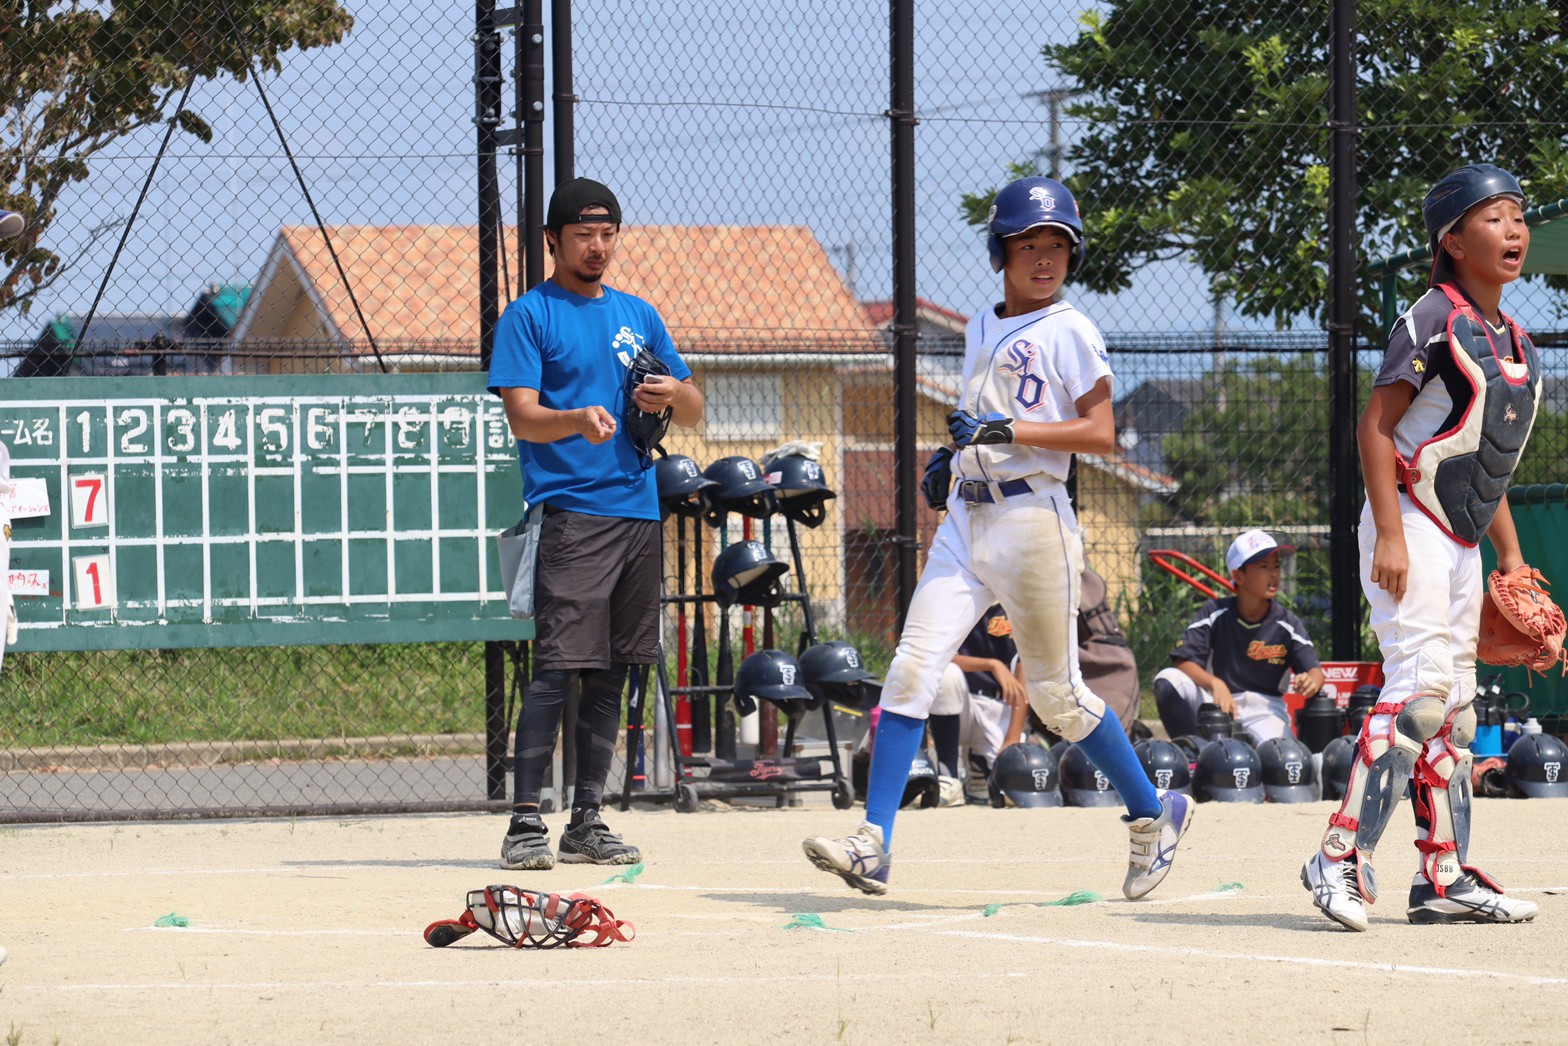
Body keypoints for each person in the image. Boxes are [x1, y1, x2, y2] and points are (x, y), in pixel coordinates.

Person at [802, 175, 1193, 898]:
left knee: (1058, 699)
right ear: (1000, 252)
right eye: (1028, 244)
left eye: (1057, 245)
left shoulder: (1070, 329)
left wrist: (1009, 432)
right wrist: (950, 459)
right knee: (913, 667)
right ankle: (874, 841)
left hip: (1033, 522)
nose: (1044, 258)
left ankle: (1152, 812)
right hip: (965, 519)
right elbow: (982, 415)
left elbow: (1101, 432)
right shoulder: (984, 323)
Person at [1302, 163, 1541, 930]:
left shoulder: (1513, 337)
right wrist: (1393, 535)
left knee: (1460, 716)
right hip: (1407, 522)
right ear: (1452, 238)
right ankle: (1338, 856)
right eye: (1493, 216)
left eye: (1517, 216)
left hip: (1461, 535)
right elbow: (1376, 428)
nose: (1513, 229)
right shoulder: (1432, 317)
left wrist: (1509, 557)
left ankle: (1442, 877)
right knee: (1420, 696)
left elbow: (1482, 465)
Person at [488, 178, 704, 870]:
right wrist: (575, 419)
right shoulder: (530, 316)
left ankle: (587, 818)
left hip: (637, 512)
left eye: (608, 233)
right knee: (556, 668)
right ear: (553, 241)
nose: (598, 246)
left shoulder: (639, 315)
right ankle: (526, 823)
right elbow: (521, 414)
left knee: (615, 671)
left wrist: (676, 393)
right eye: (584, 234)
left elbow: (696, 407)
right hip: (571, 516)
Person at [1153, 529, 1325, 745]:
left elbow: (1315, 671)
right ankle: (1193, 754)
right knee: (1168, 679)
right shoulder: (1214, 612)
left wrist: (1310, 681)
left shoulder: (1286, 623)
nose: (1273, 574)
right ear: (1238, 575)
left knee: (1282, 758)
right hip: (1217, 703)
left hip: (1265, 710)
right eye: (1263, 567)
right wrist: (1215, 683)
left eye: (1276, 566)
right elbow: (1183, 662)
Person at [930, 603, 1029, 803]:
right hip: (963, 706)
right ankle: (949, 776)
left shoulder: (1014, 605)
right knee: (947, 674)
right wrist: (992, 665)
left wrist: (1013, 738)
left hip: (1000, 707)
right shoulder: (952, 602)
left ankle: (978, 764)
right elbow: (936, 656)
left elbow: (1022, 683)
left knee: (1015, 791)